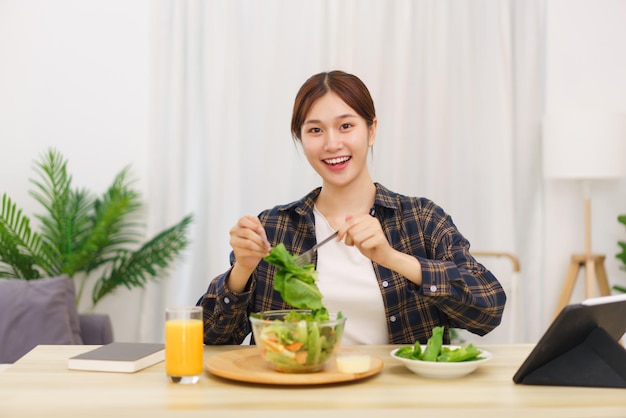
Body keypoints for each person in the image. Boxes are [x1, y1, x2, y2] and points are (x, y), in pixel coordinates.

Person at [197, 70, 506, 345]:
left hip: (397, 400)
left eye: (346, 126)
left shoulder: (422, 219)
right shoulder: (274, 227)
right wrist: (242, 270)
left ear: (371, 131)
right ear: (301, 140)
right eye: (315, 130)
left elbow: (488, 310)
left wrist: (393, 258)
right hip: (297, 398)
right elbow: (210, 336)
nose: (332, 144)